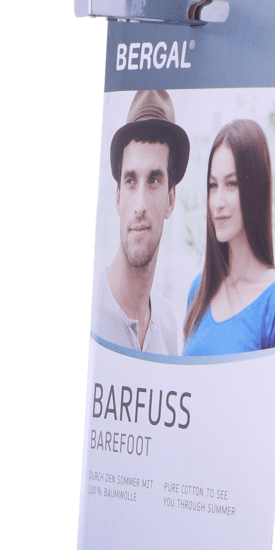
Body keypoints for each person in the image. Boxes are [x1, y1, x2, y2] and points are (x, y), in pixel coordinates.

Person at [91, 90, 190, 356]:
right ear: (118, 197)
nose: (139, 206)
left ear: (171, 200)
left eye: (154, 180)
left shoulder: (167, 324)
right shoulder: (92, 310)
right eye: (130, 180)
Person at [182, 119, 275, 356]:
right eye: (213, 185)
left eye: (232, 184)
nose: (218, 202)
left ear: (256, 189)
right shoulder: (199, 290)